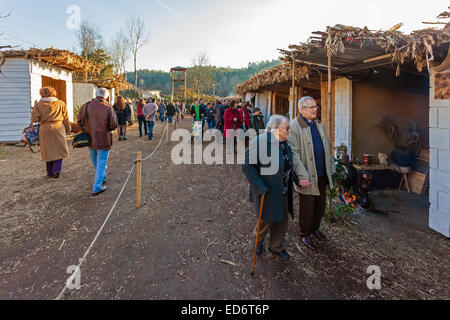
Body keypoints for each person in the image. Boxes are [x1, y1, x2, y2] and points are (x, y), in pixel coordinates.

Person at [242, 115, 296, 260]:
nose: (289, 131)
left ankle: (276, 246)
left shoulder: (285, 143)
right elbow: (247, 166)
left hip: (283, 189)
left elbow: (289, 163)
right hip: (267, 189)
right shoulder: (260, 141)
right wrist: (260, 187)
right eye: (287, 128)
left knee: (282, 220)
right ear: (275, 129)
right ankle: (257, 242)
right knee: (265, 220)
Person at [289, 96, 336, 250]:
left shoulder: (318, 124)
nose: (315, 109)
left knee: (320, 206)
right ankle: (305, 233)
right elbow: (294, 154)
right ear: (302, 109)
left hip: (321, 172)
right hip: (307, 175)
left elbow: (326, 147)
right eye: (311, 107)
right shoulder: (294, 127)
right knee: (307, 207)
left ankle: (315, 229)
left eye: (316, 106)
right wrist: (302, 175)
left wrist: (331, 168)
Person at [77, 88, 118, 197]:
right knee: (101, 162)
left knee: (96, 162)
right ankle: (97, 187)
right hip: (103, 138)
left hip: (89, 138)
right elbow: (113, 125)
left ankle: (102, 178)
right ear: (106, 96)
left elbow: (79, 121)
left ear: (96, 94)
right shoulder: (108, 107)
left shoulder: (85, 105)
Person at [31, 86, 71, 179]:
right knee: (59, 150)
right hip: (58, 128)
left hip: (44, 129)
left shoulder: (38, 105)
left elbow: (35, 119)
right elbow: (66, 118)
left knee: (47, 150)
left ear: (41, 93)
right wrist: (68, 129)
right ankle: (56, 170)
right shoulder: (61, 103)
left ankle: (49, 172)